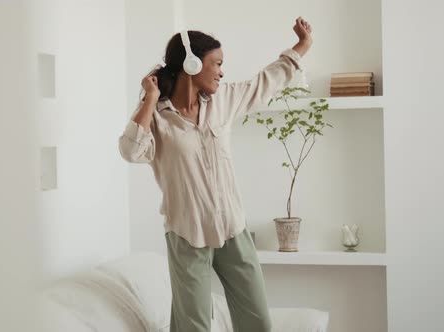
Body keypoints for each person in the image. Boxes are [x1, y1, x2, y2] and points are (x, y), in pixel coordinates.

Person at [119, 17, 313, 332]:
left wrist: (301, 47)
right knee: (192, 326)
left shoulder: (223, 101)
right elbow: (130, 151)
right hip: (187, 234)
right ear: (193, 64)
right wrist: (150, 100)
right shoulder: (157, 117)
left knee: (258, 322)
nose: (222, 72)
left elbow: (265, 82)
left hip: (233, 230)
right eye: (217, 63)